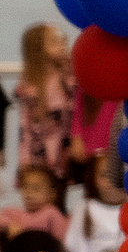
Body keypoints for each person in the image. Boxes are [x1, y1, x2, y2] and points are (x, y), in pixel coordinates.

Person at [13, 22, 83, 189]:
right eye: (54, 41)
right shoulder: (29, 86)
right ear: (38, 49)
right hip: (39, 155)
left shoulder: (68, 76)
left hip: (64, 151)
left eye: (62, 41)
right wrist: (25, 163)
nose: (61, 45)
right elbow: (25, 129)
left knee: (59, 195)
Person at [63, 146, 125, 252]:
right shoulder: (85, 208)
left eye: (116, 175)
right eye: (104, 175)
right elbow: (74, 249)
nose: (110, 181)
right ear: (93, 178)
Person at [1, 164, 69, 243]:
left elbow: (61, 241)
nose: (29, 193)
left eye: (35, 189)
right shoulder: (15, 213)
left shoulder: (52, 213)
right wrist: (9, 226)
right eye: (25, 187)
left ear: (51, 194)